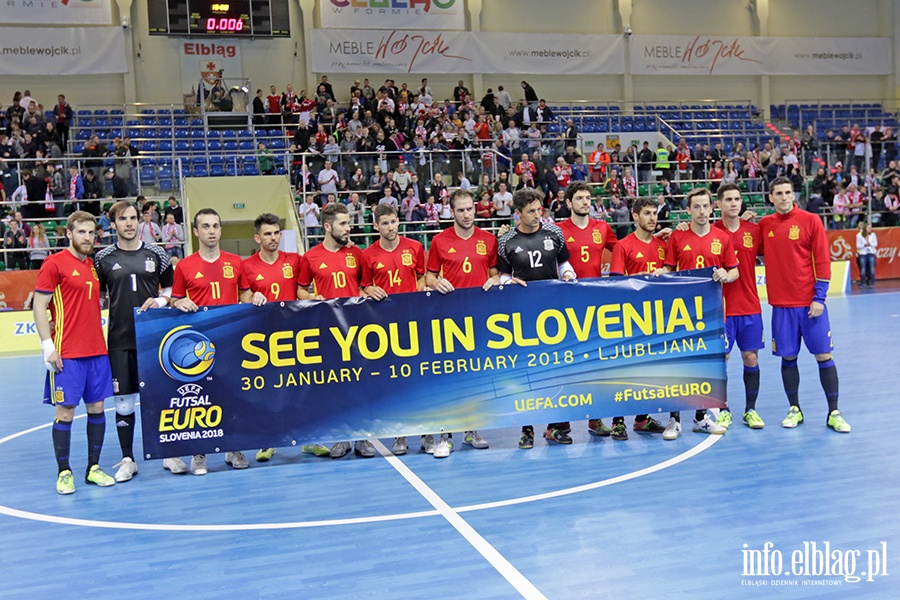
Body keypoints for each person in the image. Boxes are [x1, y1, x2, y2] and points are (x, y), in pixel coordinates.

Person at [558, 182, 660, 439]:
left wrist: (659, 237)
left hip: (597, 306)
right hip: (565, 306)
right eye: (579, 198)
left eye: (588, 197)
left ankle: (596, 419)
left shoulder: (602, 228)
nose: (585, 202)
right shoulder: (558, 231)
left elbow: (629, 246)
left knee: (599, 364)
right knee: (568, 365)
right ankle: (558, 425)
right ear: (569, 203)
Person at [33, 211, 116, 494]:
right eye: (81, 232)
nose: (87, 238)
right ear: (69, 233)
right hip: (67, 353)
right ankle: (64, 472)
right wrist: (48, 346)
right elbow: (39, 307)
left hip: (97, 352)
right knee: (66, 413)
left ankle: (93, 468)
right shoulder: (54, 264)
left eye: (91, 233)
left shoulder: (93, 266)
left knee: (97, 409)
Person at [758, 177, 850, 433]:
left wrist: (819, 297)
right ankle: (794, 409)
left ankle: (834, 412)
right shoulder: (765, 225)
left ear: (793, 194)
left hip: (811, 306)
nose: (784, 197)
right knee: (788, 357)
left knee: (824, 355)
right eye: (779, 193)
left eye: (788, 192)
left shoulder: (811, 221)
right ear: (771, 197)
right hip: (782, 307)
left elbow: (822, 260)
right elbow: (742, 244)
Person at [94, 201, 175, 482]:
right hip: (120, 339)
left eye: (133, 218)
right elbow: (91, 294)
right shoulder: (101, 258)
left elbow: (172, 288)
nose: (129, 223)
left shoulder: (157, 253)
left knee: (162, 398)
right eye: (122, 219)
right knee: (124, 403)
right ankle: (128, 458)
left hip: (155, 339)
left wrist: (163, 300)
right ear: (112, 224)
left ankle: (169, 453)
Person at [171, 208, 252, 474]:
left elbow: (246, 296)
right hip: (199, 345)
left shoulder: (235, 262)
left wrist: (256, 299)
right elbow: (175, 299)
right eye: (205, 226)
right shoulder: (184, 266)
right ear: (196, 231)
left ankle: (233, 448)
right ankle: (199, 453)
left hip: (231, 343)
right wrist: (178, 301)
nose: (211, 231)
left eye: (216, 226)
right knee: (200, 400)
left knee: (233, 397)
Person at [654, 187, 738, 440]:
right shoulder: (679, 237)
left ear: (712, 208)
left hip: (711, 312)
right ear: (688, 210)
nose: (702, 211)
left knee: (707, 365)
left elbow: (734, 271)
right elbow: (669, 268)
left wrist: (726, 275)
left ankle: (701, 418)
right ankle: (674, 419)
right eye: (697, 207)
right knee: (677, 365)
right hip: (681, 314)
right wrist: (660, 273)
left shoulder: (722, 238)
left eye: (706, 206)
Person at [497, 189, 576, 449]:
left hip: (554, 313)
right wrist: (509, 281)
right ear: (517, 213)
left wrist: (567, 275)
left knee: (558, 367)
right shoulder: (506, 240)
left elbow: (564, 264)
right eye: (530, 211)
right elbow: (502, 276)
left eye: (539, 209)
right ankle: (527, 429)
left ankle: (558, 427)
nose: (537, 215)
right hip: (522, 316)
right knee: (526, 373)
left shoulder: (554, 233)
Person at [426, 189, 499, 456]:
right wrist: (436, 282)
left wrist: (495, 279)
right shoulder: (439, 241)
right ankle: (445, 435)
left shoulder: (488, 240)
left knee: (475, 375)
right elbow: (429, 277)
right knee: (450, 376)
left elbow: (494, 274)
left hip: (480, 317)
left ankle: (471, 430)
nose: (467, 214)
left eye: (470, 209)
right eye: (461, 210)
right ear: (452, 211)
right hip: (449, 317)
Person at [296, 203, 368, 459]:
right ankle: (339, 439)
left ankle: (362, 437)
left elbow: (365, 286)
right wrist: (313, 297)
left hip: (357, 330)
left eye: (348, 223)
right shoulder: (310, 257)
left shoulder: (357, 254)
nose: (349, 228)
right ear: (327, 227)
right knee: (335, 385)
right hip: (327, 332)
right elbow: (301, 290)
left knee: (360, 382)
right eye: (343, 224)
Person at [360, 204, 427, 456]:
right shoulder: (367, 255)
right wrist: (368, 290)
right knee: (396, 381)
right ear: (376, 226)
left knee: (420, 378)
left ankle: (427, 433)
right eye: (384, 223)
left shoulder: (415, 247)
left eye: (393, 222)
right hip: (384, 327)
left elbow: (421, 277)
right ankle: (400, 435)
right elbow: (364, 285)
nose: (390, 227)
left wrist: (421, 289)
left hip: (414, 322)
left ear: (399, 222)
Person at [239, 213, 304, 463]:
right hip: (264, 339)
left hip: (296, 334)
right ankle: (268, 441)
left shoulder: (295, 260)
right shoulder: (247, 266)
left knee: (301, 387)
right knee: (269, 390)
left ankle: (310, 439)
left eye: (276, 232)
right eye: (267, 233)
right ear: (257, 238)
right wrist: (252, 297)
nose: (273, 237)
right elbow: (243, 296)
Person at [712, 183, 766, 430]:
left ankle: (750, 410)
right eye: (728, 199)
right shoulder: (710, 232)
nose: (734, 203)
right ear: (719, 204)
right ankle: (723, 409)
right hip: (721, 309)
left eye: (737, 199)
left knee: (751, 357)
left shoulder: (754, 231)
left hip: (750, 306)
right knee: (721, 359)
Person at [856, 221, 877, 289]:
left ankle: (872, 283)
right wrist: (864, 245)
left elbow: (875, 244)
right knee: (863, 269)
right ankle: (863, 283)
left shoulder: (873, 234)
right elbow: (858, 245)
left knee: (871, 268)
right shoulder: (859, 235)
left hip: (871, 252)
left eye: (870, 228)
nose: (870, 229)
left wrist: (870, 244)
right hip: (863, 253)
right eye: (868, 228)